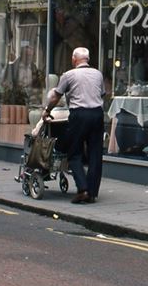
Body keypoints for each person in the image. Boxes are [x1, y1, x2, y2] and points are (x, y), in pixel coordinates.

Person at [42, 47, 105, 204]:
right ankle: (92, 193)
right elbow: (102, 94)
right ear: (88, 59)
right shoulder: (98, 74)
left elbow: (56, 96)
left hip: (79, 115)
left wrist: (46, 111)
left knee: (74, 152)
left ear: (73, 59)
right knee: (95, 154)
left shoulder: (68, 75)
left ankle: (83, 189)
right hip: (97, 114)